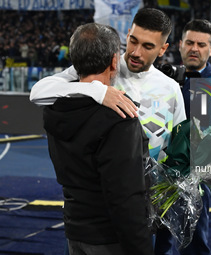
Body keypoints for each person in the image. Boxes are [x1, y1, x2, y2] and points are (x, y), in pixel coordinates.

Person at [42, 23, 153, 255]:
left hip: (75, 233)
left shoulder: (55, 107)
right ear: (114, 61)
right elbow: (125, 197)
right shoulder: (120, 117)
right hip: (111, 239)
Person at [30, 8, 186, 162]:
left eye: (147, 46)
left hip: (156, 186)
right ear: (128, 34)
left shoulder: (171, 88)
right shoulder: (102, 68)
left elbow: (180, 148)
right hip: (108, 182)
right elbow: (38, 92)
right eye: (133, 41)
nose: (136, 52)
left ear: (162, 49)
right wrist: (98, 91)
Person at [155, 19, 211, 255]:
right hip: (158, 175)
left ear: (210, 49)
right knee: (159, 243)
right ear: (179, 45)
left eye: (201, 44)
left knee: (193, 245)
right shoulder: (165, 80)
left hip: (194, 182)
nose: (194, 48)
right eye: (189, 42)